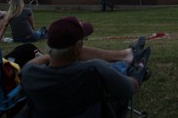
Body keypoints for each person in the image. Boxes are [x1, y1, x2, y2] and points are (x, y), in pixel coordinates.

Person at [20, 16, 150, 118]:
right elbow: (129, 89)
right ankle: (127, 60)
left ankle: (125, 55)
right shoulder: (94, 70)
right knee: (122, 70)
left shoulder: (30, 73)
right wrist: (136, 74)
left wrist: (57, 53)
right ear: (78, 47)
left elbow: (34, 62)